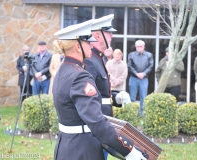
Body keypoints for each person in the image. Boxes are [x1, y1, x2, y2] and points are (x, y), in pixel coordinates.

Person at [52, 20, 145, 160]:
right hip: (83, 148)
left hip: (66, 146)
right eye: (88, 42)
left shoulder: (63, 69)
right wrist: (128, 150)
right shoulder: (80, 75)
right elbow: (96, 121)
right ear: (78, 46)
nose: (91, 45)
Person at [84, 15, 131, 160]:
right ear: (97, 35)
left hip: (102, 127)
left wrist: (116, 98)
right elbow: (88, 100)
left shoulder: (99, 58)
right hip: (95, 129)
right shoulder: (91, 61)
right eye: (108, 32)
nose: (111, 36)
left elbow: (102, 93)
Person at [128, 40, 154, 116]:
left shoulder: (149, 55)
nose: (139, 48)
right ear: (135, 47)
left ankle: (142, 115)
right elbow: (129, 66)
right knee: (132, 97)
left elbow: (151, 66)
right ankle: (133, 114)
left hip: (144, 78)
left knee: (143, 97)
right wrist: (136, 73)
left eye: (141, 46)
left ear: (144, 46)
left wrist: (144, 73)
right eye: (137, 46)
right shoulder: (131, 55)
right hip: (133, 78)